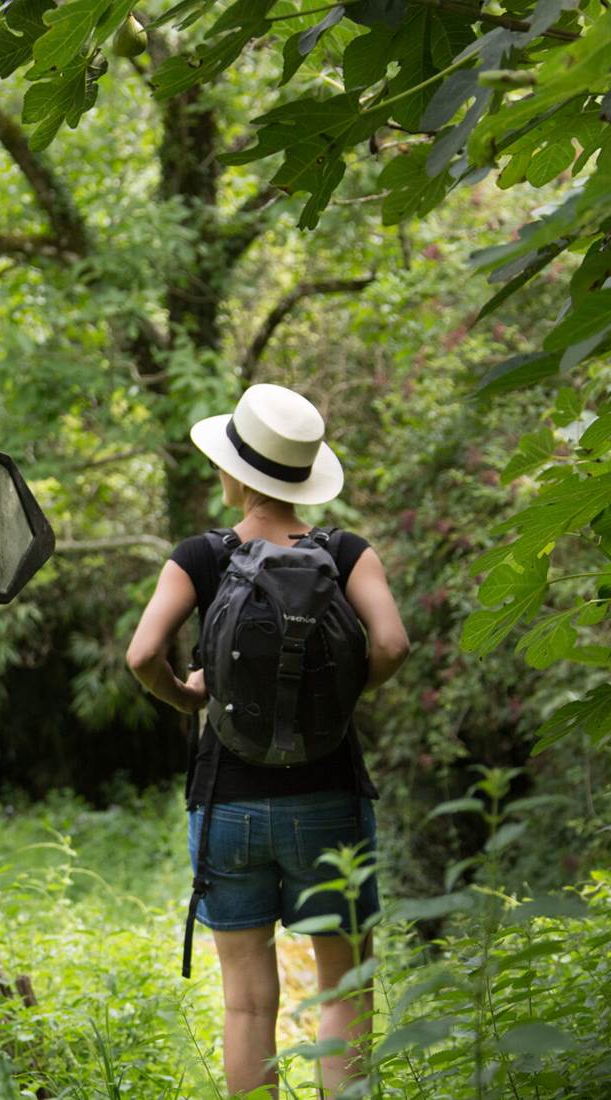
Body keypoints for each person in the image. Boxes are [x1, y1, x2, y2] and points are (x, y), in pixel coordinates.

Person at [125, 384, 410, 1098]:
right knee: (344, 992)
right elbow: (394, 644)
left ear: (239, 473)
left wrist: (190, 697)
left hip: (228, 801)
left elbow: (140, 656)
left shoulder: (199, 556)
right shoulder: (346, 552)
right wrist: (346, 694)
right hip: (330, 798)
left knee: (248, 1002)